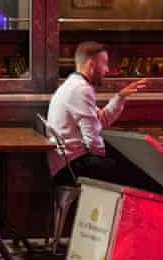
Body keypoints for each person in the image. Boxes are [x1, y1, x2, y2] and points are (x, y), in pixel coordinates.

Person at [46, 41, 148, 187]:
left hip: (67, 161)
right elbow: (93, 142)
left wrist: (120, 96)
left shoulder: (75, 84)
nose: (107, 69)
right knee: (139, 173)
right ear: (91, 65)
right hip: (70, 167)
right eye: (104, 63)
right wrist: (108, 157)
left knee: (128, 162)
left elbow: (100, 121)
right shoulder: (81, 89)